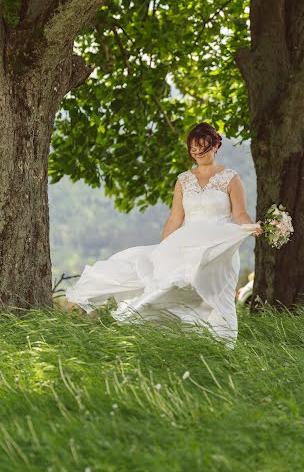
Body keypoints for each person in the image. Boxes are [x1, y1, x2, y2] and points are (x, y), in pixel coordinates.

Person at [65, 123, 263, 348]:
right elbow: (175, 218)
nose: (198, 153)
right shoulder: (184, 180)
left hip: (218, 250)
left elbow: (240, 213)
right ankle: (190, 346)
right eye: (193, 149)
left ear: (216, 146)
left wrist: (250, 226)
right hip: (186, 246)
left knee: (218, 300)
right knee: (172, 287)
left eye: (203, 148)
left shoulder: (230, 178)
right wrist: (162, 252)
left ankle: (224, 348)